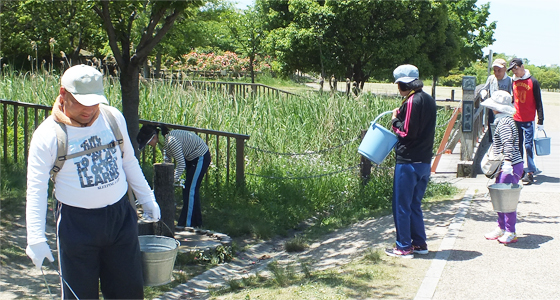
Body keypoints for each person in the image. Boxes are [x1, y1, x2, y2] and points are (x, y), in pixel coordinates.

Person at [25, 64, 161, 299]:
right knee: (80, 295)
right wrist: (35, 237)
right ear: (63, 93)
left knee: (128, 292)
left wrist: (147, 198)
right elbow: (36, 189)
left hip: (120, 219)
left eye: (93, 102)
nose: (88, 109)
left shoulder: (112, 118)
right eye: (80, 102)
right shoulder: (48, 135)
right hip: (76, 224)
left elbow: (128, 161)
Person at [384, 64, 437, 258]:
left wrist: (394, 120)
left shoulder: (412, 101)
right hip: (424, 161)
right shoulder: (429, 100)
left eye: (399, 85)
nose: (398, 89)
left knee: (401, 205)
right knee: (414, 204)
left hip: (408, 162)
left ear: (404, 84)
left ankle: (404, 246)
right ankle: (419, 243)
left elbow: (406, 132)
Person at [137, 124, 211, 229]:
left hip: (200, 157)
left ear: (153, 137)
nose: (149, 145)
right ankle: (197, 222)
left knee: (190, 190)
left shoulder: (171, 141)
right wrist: (166, 176)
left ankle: (187, 225)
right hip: (190, 158)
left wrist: (170, 181)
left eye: (148, 143)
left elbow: (181, 164)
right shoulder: (163, 143)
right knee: (190, 190)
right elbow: (167, 162)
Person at [481, 90, 523, 244]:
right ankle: (502, 228)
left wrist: (507, 163)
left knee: (507, 199)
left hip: (509, 165)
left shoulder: (504, 122)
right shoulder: (505, 120)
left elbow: (508, 144)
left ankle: (510, 231)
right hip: (508, 164)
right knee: (500, 197)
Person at [508, 58, 544, 184]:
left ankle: (530, 171)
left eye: (516, 69)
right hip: (516, 118)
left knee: (528, 146)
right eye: (512, 70)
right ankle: (520, 170)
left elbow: (538, 101)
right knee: (517, 146)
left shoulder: (532, 81)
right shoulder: (513, 81)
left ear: (522, 66)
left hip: (528, 119)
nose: (515, 72)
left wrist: (541, 120)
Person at [479, 58, 513, 141]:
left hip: (504, 110)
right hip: (493, 109)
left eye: (499, 70)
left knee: (503, 128)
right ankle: (493, 143)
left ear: (505, 69)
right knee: (492, 127)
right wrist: (483, 93)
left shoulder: (509, 80)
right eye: (495, 70)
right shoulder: (491, 78)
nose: (497, 73)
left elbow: (512, 95)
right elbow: (485, 88)